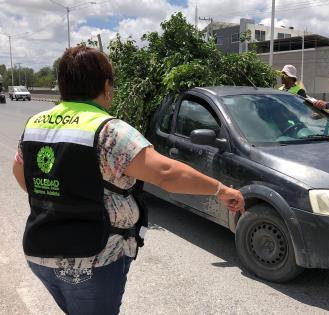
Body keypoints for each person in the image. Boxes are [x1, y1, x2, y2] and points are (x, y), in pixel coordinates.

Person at [12, 46, 245, 315]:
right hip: (91, 259)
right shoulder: (109, 131)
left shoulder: (35, 124)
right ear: (107, 86)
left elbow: (21, 175)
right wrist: (220, 189)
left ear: (62, 85)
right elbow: (166, 174)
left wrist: (60, 194)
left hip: (40, 251)